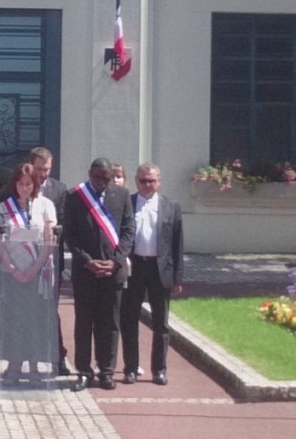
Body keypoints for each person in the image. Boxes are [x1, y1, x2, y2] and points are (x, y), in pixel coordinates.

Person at [63, 157, 134, 392]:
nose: (102, 183)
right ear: (89, 174)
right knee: (84, 323)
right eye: (97, 178)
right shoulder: (75, 197)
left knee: (110, 324)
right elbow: (70, 236)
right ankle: (84, 371)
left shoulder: (122, 196)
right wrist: (87, 261)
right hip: (86, 272)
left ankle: (106, 371)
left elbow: (128, 231)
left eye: (106, 178)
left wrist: (115, 262)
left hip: (113, 272)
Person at [0, 163, 58, 383]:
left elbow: (50, 240)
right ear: (14, 184)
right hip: (11, 273)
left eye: (29, 184)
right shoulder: (3, 208)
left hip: (38, 272)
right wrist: (14, 269)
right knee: (13, 319)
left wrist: (34, 269)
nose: (25, 188)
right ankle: (14, 364)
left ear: (35, 185)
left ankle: (35, 366)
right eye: (20, 184)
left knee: (35, 319)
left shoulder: (45, 205)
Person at [120, 162, 184, 386]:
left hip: (160, 270)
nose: (148, 185)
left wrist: (178, 278)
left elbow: (177, 245)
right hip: (134, 268)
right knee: (129, 320)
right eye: (143, 180)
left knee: (161, 323)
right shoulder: (127, 203)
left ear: (160, 181)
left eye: (152, 180)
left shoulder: (171, 206)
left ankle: (159, 369)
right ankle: (130, 368)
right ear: (137, 181)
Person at [29, 146, 72, 377]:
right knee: (24, 311)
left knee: (49, 312)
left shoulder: (59, 189)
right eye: (38, 169)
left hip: (50, 262)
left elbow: (65, 222)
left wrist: (52, 233)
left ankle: (58, 358)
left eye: (46, 169)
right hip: (24, 260)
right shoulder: (20, 185)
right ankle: (20, 360)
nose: (42, 174)